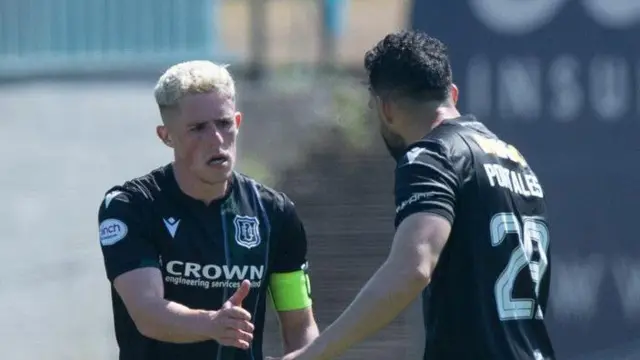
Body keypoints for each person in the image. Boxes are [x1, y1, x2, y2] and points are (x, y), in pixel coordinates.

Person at [268, 30, 555, 360]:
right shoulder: (514, 159)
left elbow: (413, 268)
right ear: (453, 94)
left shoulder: (432, 155)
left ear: (385, 108)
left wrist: (313, 354)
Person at [97, 60, 319, 360]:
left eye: (224, 123)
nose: (216, 140)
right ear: (166, 136)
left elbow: (300, 324)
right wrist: (212, 324)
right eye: (197, 128)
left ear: (237, 124)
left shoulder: (274, 214)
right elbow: (147, 312)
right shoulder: (131, 206)